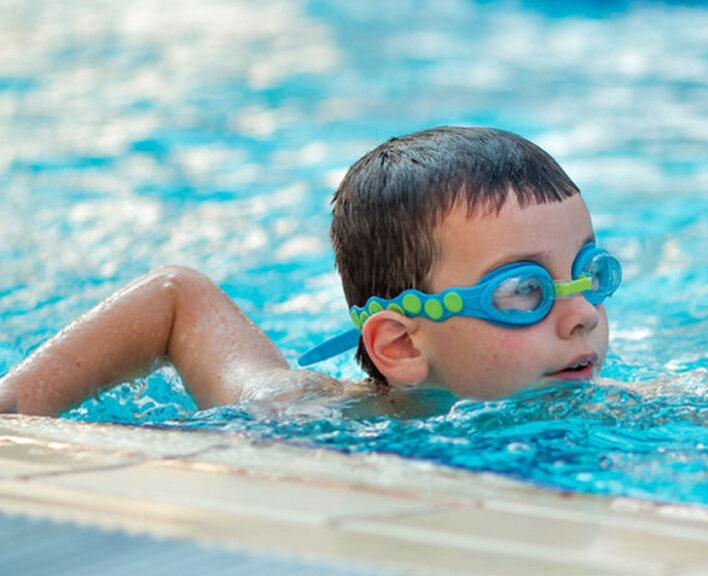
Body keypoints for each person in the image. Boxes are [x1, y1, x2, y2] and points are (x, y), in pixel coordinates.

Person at [0, 127, 621, 417]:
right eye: (523, 291)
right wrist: (17, 409)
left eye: (589, 274)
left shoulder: (626, 413)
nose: (584, 315)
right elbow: (175, 296)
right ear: (402, 344)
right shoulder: (297, 416)